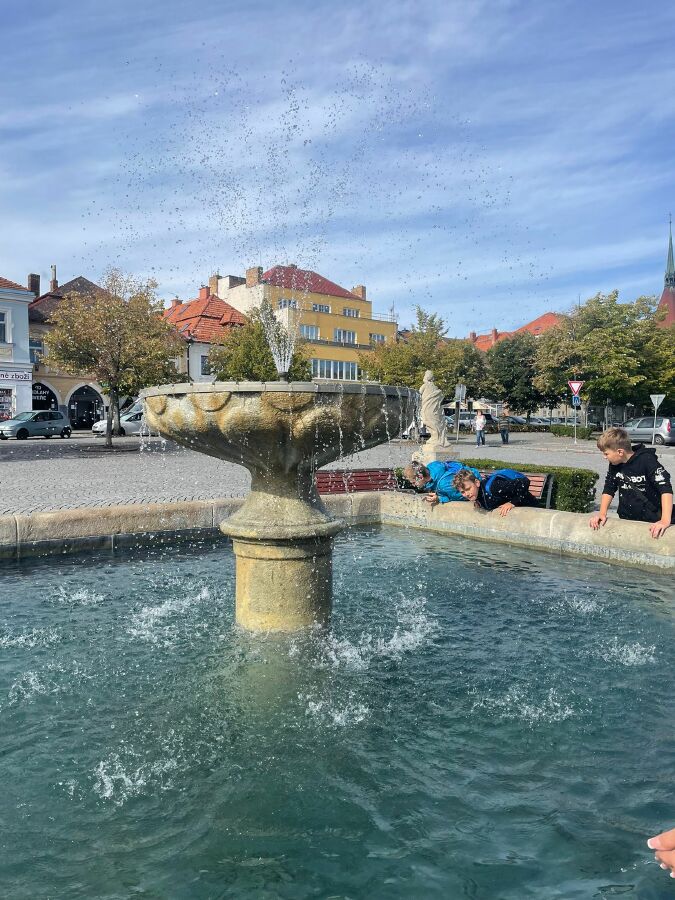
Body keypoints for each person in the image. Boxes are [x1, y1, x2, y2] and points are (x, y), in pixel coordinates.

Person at [589, 427, 673, 539]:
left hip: (652, 520)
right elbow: (609, 488)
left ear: (620, 452)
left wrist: (665, 520)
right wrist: (602, 513)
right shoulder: (615, 465)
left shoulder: (646, 460)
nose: (604, 457)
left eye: (606, 453)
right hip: (627, 520)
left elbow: (665, 489)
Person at [452, 467, 537, 516]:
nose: (466, 494)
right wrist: (479, 501)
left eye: (468, 489)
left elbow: (524, 482)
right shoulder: (478, 494)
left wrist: (513, 503)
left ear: (477, 483)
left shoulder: (494, 487)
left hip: (532, 507)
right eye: (462, 492)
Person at [403, 460, 481, 507]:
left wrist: (439, 498)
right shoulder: (432, 466)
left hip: (478, 484)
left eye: (413, 482)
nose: (413, 485)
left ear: (420, 477)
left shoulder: (443, 485)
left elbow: (462, 496)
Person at [419, 370, 448, 448]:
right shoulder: (435, 387)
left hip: (427, 407)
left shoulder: (424, 386)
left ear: (426, 377)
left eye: (425, 375)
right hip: (434, 409)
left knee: (427, 421)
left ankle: (436, 437)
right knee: (434, 421)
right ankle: (437, 437)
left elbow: (419, 393)